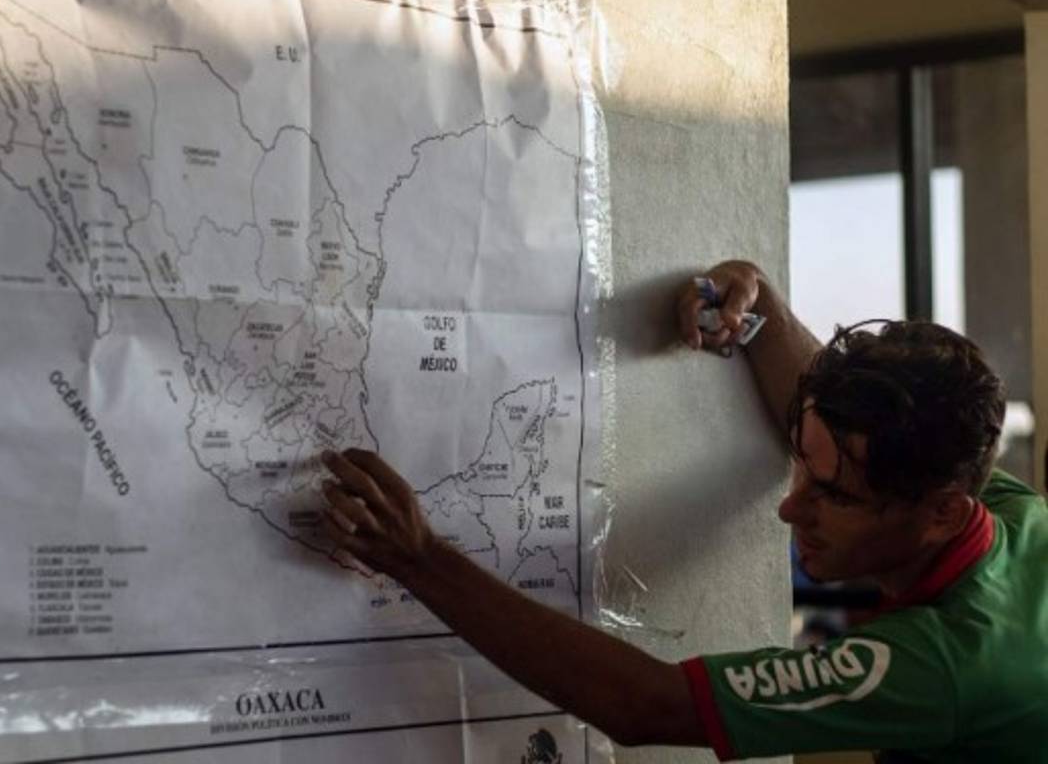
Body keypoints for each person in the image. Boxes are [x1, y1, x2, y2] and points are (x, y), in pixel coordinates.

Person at [319, 260, 1048, 761]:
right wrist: (756, 312)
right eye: (802, 468)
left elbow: (651, 707)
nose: (790, 510)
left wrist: (420, 557)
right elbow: (814, 397)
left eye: (835, 496)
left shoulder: (945, 664)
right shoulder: (998, 509)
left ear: (943, 516)